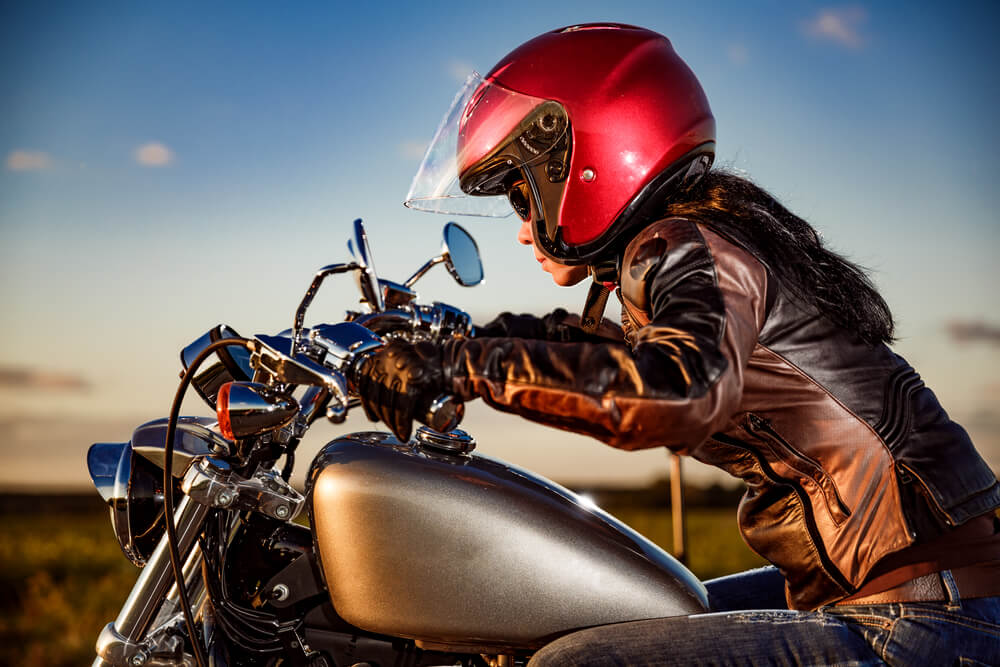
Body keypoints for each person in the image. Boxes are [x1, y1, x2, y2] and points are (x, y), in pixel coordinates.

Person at [357, 23, 1000, 665]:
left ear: (584, 161)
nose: (524, 231)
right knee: (593, 617)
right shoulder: (700, 245)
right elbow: (597, 349)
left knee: (574, 664)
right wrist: (457, 339)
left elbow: (679, 387)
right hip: (911, 597)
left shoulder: (692, 245)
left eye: (523, 197)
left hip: (926, 616)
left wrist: (461, 366)